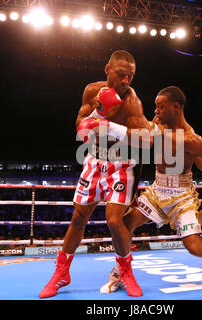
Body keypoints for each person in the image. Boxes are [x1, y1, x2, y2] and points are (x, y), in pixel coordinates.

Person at [99, 86, 202, 294]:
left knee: (194, 246)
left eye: (160, 107)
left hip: (182, 196)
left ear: (176, 107)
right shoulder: (157, 125)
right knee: (124, 225)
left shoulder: (192, 140)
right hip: (157, 190)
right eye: (155, 106)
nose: (155, 111)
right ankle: (121, 273)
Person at [39, 50, 155, 299]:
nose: (126, 81)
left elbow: (146, 141)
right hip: (93, 161)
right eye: (121, 74)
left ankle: (125, 271)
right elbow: (81, 127)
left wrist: (110, 127)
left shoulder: (132, 103)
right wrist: (98, 113)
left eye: (131, 76)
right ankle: (61, 273)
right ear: (107, 70)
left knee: (114, 220)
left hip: (121, 164)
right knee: (78, 219)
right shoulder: (92, 91)